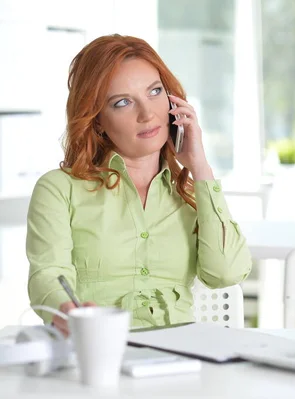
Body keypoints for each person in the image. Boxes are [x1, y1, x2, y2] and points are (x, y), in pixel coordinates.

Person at [26, 34, 253, 336]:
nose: (147, 115)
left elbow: (226, 273)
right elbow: (48, 274)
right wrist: (67, 312)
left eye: (155, 91)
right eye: (122, 103)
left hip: (180, 357)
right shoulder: (58, 189)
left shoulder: (190, 191)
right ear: (96, 120)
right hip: (98, 350)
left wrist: (200, 167)